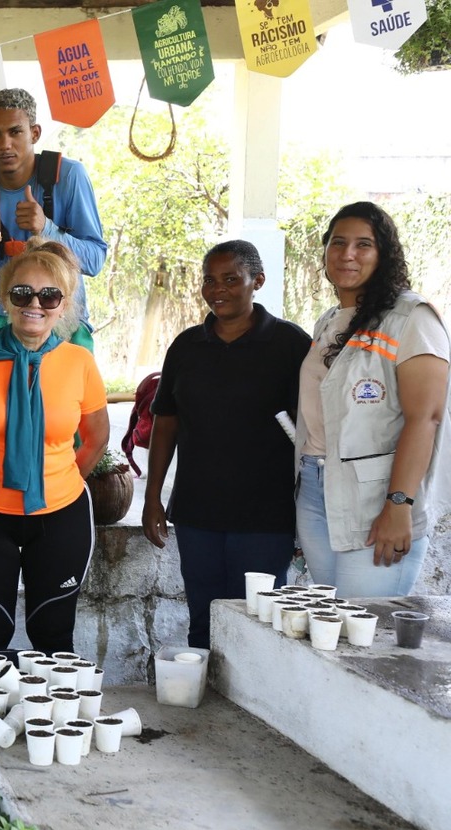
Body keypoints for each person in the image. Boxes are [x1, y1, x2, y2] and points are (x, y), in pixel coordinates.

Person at [142, 241, 310, 647]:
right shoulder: (186, 347)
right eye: (210, 280)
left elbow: (313, 432)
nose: (218, 289)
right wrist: (152, 498)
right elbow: (166, 423)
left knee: (257, 620)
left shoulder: (291, 345)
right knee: (204, 616)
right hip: (199, 513)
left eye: (231, 279)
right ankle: (203, 704)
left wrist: (312, 514)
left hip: (266, 518)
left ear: (258, 282)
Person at [0, 239, 109, 655]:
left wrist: (62, 478)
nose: (35, 303)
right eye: (22, 293)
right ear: (6, 299)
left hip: (60, 513)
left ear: (64, 302)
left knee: (54, 636)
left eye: (49, 294)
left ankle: (53, 721)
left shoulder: (79, 363)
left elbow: (96, 437)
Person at [294, 201, 451, 596]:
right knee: (333, 631)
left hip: (376, 497)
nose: (348, 254)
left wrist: (399, 504)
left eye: (364, 244)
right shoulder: (330, 319)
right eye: (338, 242)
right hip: (316, 489)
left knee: (364, 633)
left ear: (383, 255)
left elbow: (426, 419)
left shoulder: (411, 318)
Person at [0, 88, 106, 350]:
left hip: (64, 322)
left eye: (15, 132)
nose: (4, 144)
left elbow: (94, 261)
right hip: (2, 320)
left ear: (35, 133)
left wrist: (46, 228)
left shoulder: (69, 176)